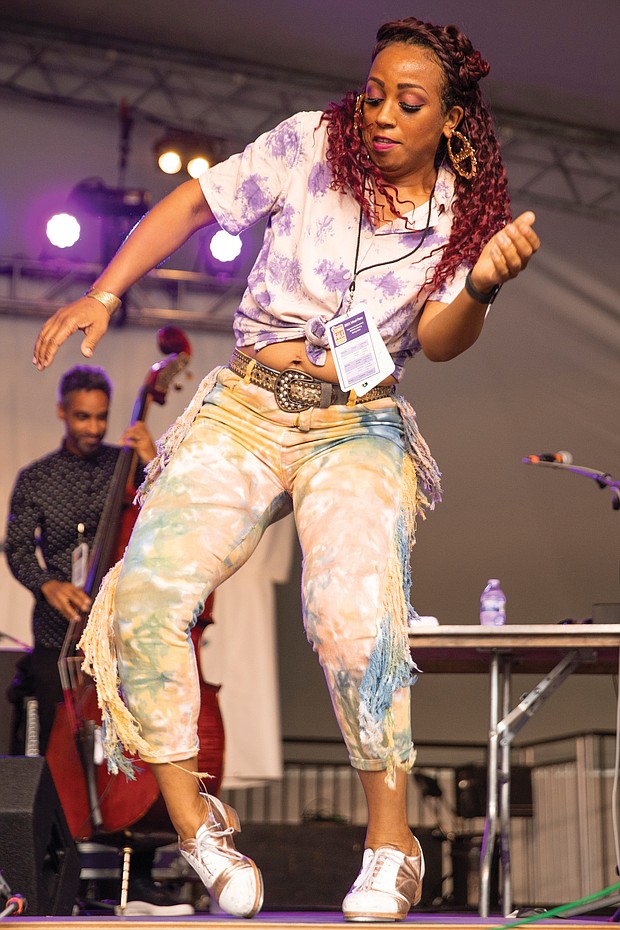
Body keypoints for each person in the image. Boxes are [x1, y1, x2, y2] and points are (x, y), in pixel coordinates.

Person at [31, 15, 540, 922]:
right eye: (374, 91)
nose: (380, 112)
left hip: (356, 423)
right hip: (246, 408)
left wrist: (484, 287)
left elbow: (436, 338)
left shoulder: (462, 212)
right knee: (145, 596)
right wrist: (106, 289)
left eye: (408, 102)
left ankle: (393, 848)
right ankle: (197, 830)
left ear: (451, 122)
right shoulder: (309, 143)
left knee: (350, 618)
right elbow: (193, 203)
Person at [4, 366, 192, 916]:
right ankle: (55, 864)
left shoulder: (127, 463)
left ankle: (145, 870)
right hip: (57, 635)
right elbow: (16, 548)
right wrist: (48, 583)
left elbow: (173, 515)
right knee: (56, 744)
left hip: (121, 627)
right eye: (82, 416)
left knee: (137, 736)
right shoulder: (36, 477)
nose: (93, 427)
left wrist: (155, 459)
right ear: (63, 411)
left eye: (101, 417)